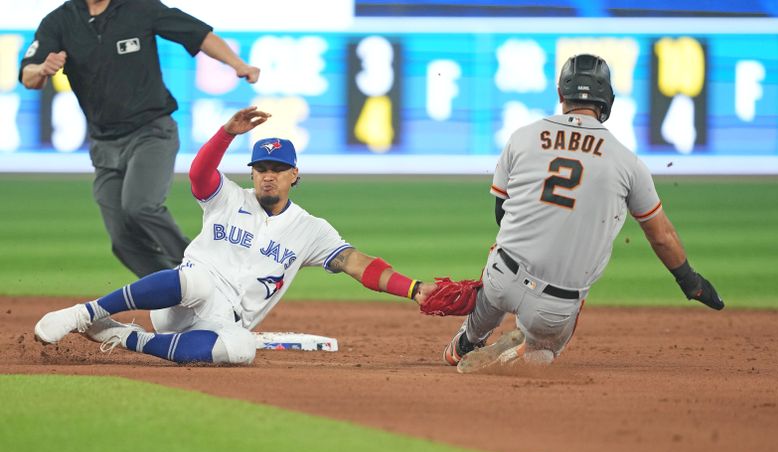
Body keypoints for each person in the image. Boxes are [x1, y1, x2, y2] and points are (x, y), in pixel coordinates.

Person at [33, 107, 434, 364]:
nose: (268, 175)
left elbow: (358, 264)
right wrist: (226, 133)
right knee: (199, 280)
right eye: (261, 168)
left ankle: (124, 338)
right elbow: (198, 175)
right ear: (253, 172)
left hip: (222, 320)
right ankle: (85, 313)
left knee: (241, 350)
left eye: (278, 168)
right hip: (182, 297)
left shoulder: (311, 230)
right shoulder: (227, 197)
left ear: (295, 175)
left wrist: (414, 287)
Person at [444, 53, 724, 374]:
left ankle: (468, 337)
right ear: (608, 100)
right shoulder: (627, 162)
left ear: (562, 95)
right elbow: (662, 236)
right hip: (556, 305)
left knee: (499, 259)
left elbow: (502, 214)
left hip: (502, 279)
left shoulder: (522, 137)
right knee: (546, 346)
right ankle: (524, 353)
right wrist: (691, 282)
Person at [19, 0, 260, 277]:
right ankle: (179, 294)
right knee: (122, 241)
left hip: (152, 131)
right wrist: (41, 70)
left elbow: (198, 34)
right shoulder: (60, 20)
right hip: (104, 143)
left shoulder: (139, 8)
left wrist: (238, 64)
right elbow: (29, 75)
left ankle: (207, 271)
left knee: (140, 207)